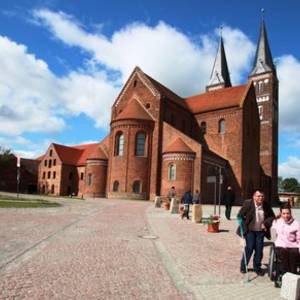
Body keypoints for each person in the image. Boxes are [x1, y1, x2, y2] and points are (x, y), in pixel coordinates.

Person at [237, 189, 275, 275]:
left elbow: (272, 217)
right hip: (250, 230)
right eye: (258, 196)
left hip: (260, 231)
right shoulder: (248, 203)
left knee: (259, 250)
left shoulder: (266, 205)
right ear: (254, 197)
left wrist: (265, 223)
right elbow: (240, 215)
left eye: (262, 196)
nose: (260, 198)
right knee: (249, 248)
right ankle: (243, 267)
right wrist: (241, 222)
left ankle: (257, 268)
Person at [272, 203, 300, 275]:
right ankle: (285, 275)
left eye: (288, 213)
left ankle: (293, 275)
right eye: (283, 213)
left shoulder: (296, 224)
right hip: (280, 245)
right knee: (284, 253)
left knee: (293, 254)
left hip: (293, 246)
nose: (286, 215)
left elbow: (299, 238)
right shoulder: (277, 222)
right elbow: (273, 234)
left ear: (290, 213)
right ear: (281, 213)